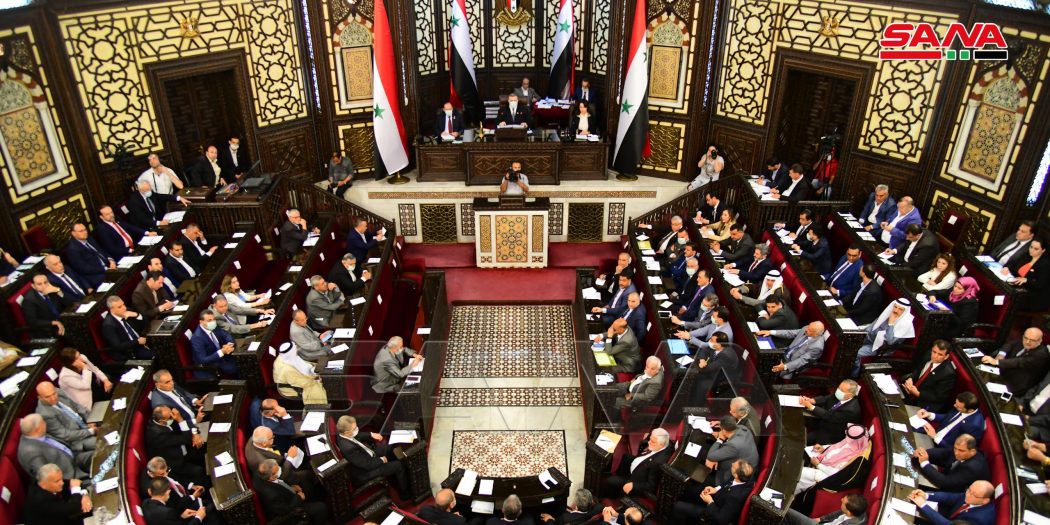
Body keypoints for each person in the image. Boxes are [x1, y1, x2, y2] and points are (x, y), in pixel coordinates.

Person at [334, 415, 409, 496]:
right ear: (347, 433)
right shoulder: (349, 448)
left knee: (388, 448)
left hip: (367, 456)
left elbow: (357, 435)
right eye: (354, 429)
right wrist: (382, 460)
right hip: (365, 472)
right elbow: (367, 465)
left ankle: (394, 475)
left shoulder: (342, 433)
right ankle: (405, 493)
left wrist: (371, 434)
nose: (357, 429)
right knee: (398, 465)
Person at [671, 460, 754, 525]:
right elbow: (727, 484)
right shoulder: (742, 477)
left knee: (678, 506)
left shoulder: (735, 497)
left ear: (736, 475)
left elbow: (721, 519)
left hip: (713, 513)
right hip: (717, 498)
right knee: (691, 490)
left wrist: (710, 502)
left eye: (733, 466)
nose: (732, 464)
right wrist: (715, 489)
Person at [794, 423, 869, 495]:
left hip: (827, 475)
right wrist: (823, 449)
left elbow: (835, 473)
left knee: (799, 472)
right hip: (821, 461)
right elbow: (835, 448)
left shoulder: (853, 456)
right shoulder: (850, 441)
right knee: (799, 454)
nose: (846, 437)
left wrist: (818, 465)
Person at [851, 298, 916, 377]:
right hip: (869, 338)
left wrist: (891, 324)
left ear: (905, 311)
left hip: (879, 348)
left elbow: (890, 341)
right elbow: (873, 327)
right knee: (849, 343)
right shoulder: (888, 314)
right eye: (895, 307)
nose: (896, 311)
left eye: (900, 309)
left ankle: (854, 376)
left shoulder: (905, 324)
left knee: (856, 353)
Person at [253, 458, 329, 524]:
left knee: (306, 484)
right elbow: (286, 510)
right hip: (291, 510)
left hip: (288, 493)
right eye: (278, 470)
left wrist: (290, 487)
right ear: (272, 478)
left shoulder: (259, 472)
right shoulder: (272, 495)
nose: (280, 469)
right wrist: (299, 497)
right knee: (321, 507)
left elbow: (280, 484)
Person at [17, 414, 90, 482]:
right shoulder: (30, 452)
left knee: (95, 455)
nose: (45, 423)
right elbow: (48, 478)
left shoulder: (34, 434)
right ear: (38, 429)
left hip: (74, 457)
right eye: (43, 422)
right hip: (70, 475)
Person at [145, 408, 206, 489]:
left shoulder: (162, 419)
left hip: (184, 448)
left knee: (204, 446)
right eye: (170, 417)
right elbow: (186, 438)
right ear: (162, 421)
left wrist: (194, 433)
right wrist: (180, 419)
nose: (174, 417)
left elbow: (184, 426)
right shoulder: (159, 435)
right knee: (200, 471)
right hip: (176, 463)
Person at [602, 428, 673, 497]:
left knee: (610, 481)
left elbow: (651, 486)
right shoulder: (666, 443)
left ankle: (610, 495)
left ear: (661, 445)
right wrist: (648, 437)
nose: (649, 442)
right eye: (650, 439)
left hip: (635, 480)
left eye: (652, 442)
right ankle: (618, 479)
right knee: (627, 457)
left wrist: (634, 485)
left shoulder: (657, 463)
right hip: (638, 468)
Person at [982, 327, 1050, 397]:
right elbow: (1010, 344)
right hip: (1004, 372)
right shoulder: (1025, 339)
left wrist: (996, 361)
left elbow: (1019, 362)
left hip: (1016, 384)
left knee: (985, 391)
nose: (1027, 342)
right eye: (1025, 338)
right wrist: (1001, 355)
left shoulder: (1042, 354)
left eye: (1032, 340)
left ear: (1040, 341)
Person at [35, 382, 96, 455]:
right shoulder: (45, 414)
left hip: (87, 424)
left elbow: (77, 406)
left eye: (54, 394)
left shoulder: (59, 392)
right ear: (40, 398)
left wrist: (90, 420)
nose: (53, 398)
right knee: (103, 441)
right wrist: (90, 431)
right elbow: (65, 435)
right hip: (78, 440)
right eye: (47, 397)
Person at [913, 434, 990, 492]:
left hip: (956, 492)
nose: (956, 453)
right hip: (949, 476)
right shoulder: (962, 450)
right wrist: (923, 453)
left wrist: (925, 463)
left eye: (961, 451)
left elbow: (944, 482)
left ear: (972, 451)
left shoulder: (972, 468)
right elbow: (943, 453)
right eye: (955, 448)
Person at [22, 463, 92, 525]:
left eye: (61, 478)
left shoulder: (46, 483)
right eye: (57, 481)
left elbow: (76, 483)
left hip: (65, 516)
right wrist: (76, 490)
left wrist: (84, 495)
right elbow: (73, 509)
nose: (62, 483)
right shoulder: (41, 500)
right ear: (44, 484)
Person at [901, 340, 957, 412]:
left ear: (946, 356)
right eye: (934, 352)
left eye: (940, 354)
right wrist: (910, 379)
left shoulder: (948, 373)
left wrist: (917, 393)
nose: (935, 356)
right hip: (910, 391)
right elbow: (918, 370)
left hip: (923, 402)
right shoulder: (928, 354)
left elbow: (939, 397)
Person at [914, 391, 986, 447]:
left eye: (958, 407)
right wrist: (929, 414)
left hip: (940, 447)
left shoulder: (974, 426)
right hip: (934, 434)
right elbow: (947, 417)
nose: (954, 406)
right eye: (955, 403)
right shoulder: (961, 407)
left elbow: (958, 449)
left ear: (970, 410)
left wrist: (935, 437)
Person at [800, 380, 861, 445]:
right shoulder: (841, 395)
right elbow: (826, 398)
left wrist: (810, 406)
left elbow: (829, 416)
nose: (838, 391)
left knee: (803, 439)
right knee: (799, 418)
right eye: (839, 388)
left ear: (850, 395)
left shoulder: (851, 410)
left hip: (832, 432)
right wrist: (812, 400)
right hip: (822, 420)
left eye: (842, 390)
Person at [758, 322, 826, 380]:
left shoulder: (817, 347)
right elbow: (790, 333)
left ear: (816, 334)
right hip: (785, 353)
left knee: (768, 372)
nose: (806, 330)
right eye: (808, 327)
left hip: (792, 364)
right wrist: (770, 332)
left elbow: (802, 360)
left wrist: (785, 366)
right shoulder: (807, 328)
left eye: (809, 330)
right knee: (762, 359)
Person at [908, 480, 995, 525]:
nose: (967, 494)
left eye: (973, 494)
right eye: (969, 489)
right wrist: (926, 495)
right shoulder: (971, 494)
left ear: (985, 500)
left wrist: (923, 505)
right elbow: (950, 497)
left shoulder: (979, 520)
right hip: (949, 516)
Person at [704, 416, 759, 485]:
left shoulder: (733, 445)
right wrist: (721, 424)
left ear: (724, 430)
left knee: (707, 457)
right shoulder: (743, 428)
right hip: (747, 459)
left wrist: (720, 439)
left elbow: (710, 456)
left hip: (741, 472)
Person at [690, 333, 739, 405]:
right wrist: (702, 360)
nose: (709, 341)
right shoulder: (716, 347)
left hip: (723, 380)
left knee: (701, 383)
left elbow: (708, 368)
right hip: (715, 372)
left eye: (712, 340)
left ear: (719, 344)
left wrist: (698, 365)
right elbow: (704, 350)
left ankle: (696, 405)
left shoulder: (726, 355)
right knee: (696, 377)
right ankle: (691, 400)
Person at [57, 347, 111, 412]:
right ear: (72, 363)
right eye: (77, 358)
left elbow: (95, 369)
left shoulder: (82, 357)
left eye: (79, 354)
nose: (81, 358)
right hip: (89, 401)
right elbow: (85, 385)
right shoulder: (65, 376)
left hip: (98, 388)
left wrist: (105, 380)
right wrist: (84, 368)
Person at [101, 296, 153, 361]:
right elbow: (118, 346)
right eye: (119, 307)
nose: (124, 308)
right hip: (131, 351)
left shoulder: (127, 311)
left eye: (123, 304)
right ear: (112, 310)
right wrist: (137, 341)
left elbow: (146, 323)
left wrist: (136, 315)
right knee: (156, 355)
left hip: (143, 338)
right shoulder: (109, 325)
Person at [190, 310, 238, 378]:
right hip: (210, 365)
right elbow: (203, 360)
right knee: (236, 367)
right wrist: (222, 352)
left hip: (223, 357)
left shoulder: (213, 327)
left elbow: (227, 335)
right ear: (201, 322)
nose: (213, 322)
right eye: (209, 320)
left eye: (214, 319)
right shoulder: (197, 338)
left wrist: (229, 345)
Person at [65, 223, 115, 289]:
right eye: (81, 231)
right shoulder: (72, 249)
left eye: (85, 229)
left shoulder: (89, 239)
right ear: (73, 233)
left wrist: (111, 260)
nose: (85, 232)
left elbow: (101, 250)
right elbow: (84, 269)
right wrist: (105, 269)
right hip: (96, 275)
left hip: (108, 266)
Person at [142, 476, 207, 525]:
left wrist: (181, 517)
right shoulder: (167, 513)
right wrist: (198, 518)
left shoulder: (145, 503)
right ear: (168, 492)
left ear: (149, 491)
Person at [1009, 237, 1050, 312]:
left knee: (1006, 299)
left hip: (1032, 297)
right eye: (1031, 247)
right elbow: (1013, 265)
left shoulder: (1045, 265)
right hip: (1017, 288)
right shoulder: (1026, 255)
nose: (1032, 250)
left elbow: (1039, 285)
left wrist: (1026, 280)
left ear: (1043, 250)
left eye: (1036, 249)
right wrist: (1007, 268)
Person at [21, 274, 67, 338]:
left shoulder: (52, 288)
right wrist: (55, 322)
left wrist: (58, 291)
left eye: (45, 282)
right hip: (48, 328)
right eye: (39, 284)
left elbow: (68, 303)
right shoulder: (29, 300)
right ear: (33, 286)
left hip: (63, 318)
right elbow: (33, 322)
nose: (44, 286)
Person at [783, 494, 867, 525]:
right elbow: (835, 515)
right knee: (787, 514)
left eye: (843, 502)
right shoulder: (858, 510)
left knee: (786, 512)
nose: (841, 499)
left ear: (848, 512)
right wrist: (820, 519)